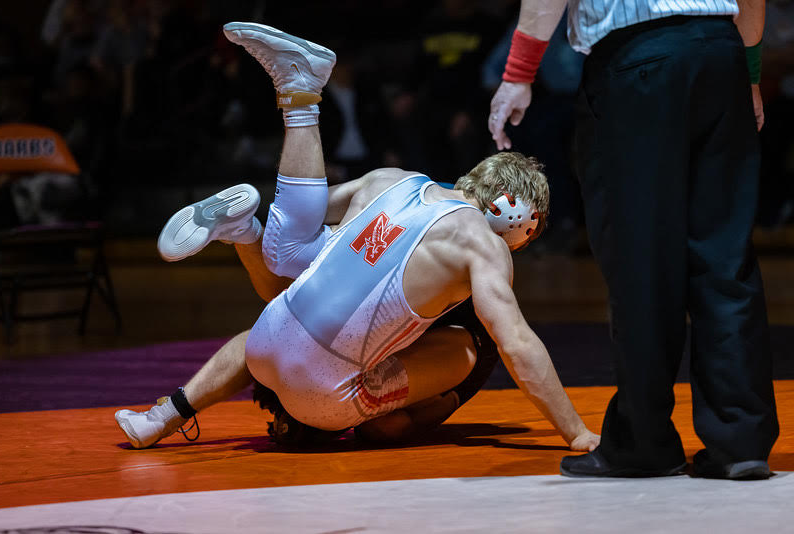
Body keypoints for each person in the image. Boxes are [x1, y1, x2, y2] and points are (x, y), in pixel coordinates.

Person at [115, 22, 600, 453]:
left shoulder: (393, 179)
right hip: (324, 395)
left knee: (288, 255)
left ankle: (292, 122)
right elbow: (518, 344)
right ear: (517, 215)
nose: (525, 242)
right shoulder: (482, 244)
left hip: (264, 342)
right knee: (470, 351)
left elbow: (300, 215)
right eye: (530, 233)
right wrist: (576, 432)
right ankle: (369, 409)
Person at [488, 0, 779, 479]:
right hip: (720, 56)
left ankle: (643, 442)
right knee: (726, 257)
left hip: (640, 62)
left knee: (640, 259)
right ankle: (740, 443)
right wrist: (747, 75)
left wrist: (519, 72)